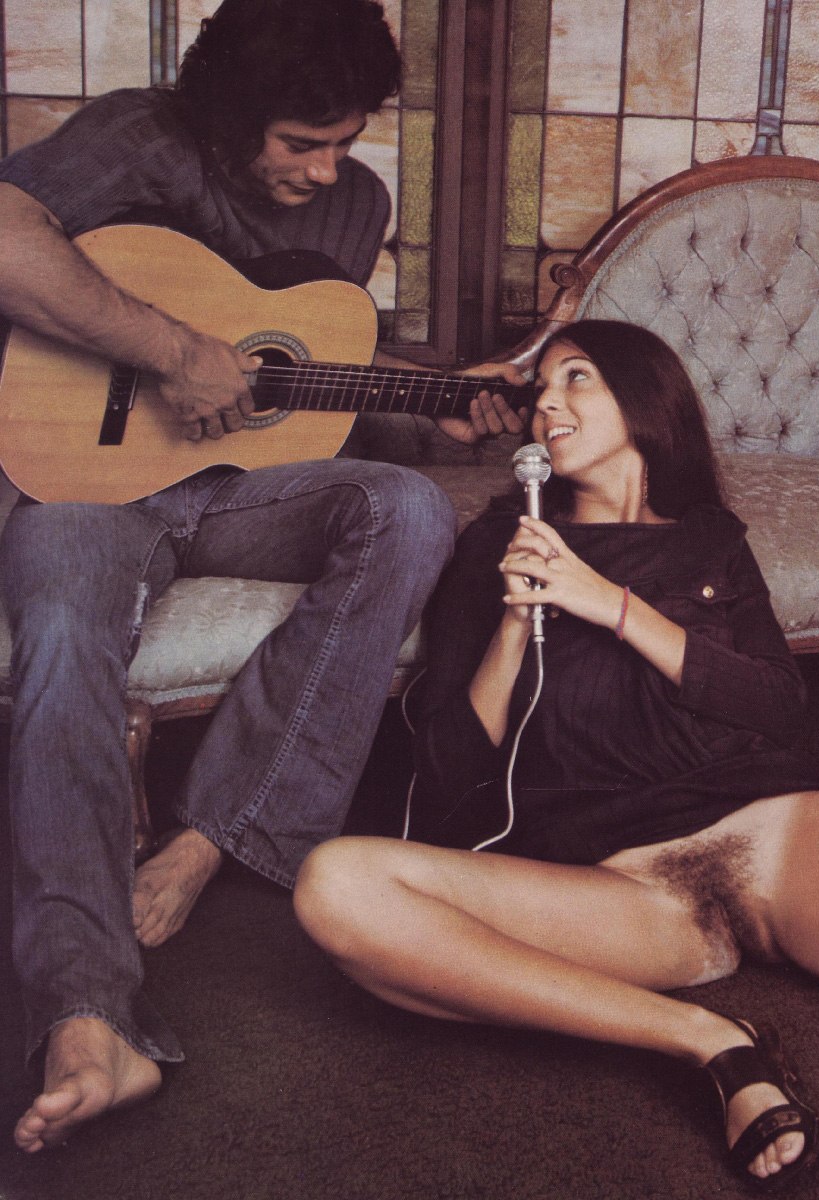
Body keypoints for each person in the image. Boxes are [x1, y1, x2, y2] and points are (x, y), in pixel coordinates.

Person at [0, 0, 524, 1153]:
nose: (325, 170)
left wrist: (431, 414)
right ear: (230, 113)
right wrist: (169, 349)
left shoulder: (354, 204)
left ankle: (212, 836)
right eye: (300, 142)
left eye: (344, 140)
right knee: (59, 605)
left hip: (240, 494)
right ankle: (86, 1015)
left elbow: (297, 371)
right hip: (83, 488)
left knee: (407, 507)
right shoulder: (138, 137)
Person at [294, 318, 819, 1189]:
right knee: (337, 886)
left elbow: (779, 706)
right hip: (625, 891)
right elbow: (447, 779)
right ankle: (711, 1042)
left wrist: (611, 605)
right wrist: (514, 624)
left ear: (645, 400)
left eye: (576, 378)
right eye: (539, 394)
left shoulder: (710, 541)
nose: (546, 407)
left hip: (773, 837)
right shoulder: (491, 549)